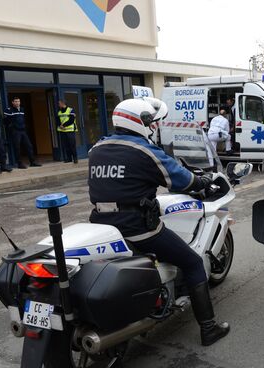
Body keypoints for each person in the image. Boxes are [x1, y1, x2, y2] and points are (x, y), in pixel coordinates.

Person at [87, 97, 230, 346]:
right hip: (138, 227)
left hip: (102, 224)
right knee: (193, 262)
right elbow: (182, 180)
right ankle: (209, 329)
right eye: (151, 122)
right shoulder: (144, 150)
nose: (154, 126)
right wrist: (203, 181)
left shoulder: (97, 148)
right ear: (140, 121)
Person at [4, 97, 41, 168]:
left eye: (18, 101)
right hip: (15, 131)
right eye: (16, 101)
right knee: (17, 147)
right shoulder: (9, 110)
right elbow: (5, 121)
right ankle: (19, 163)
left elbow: (24, 119)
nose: (17, 103)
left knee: (29, 146)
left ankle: (32, 162)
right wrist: (11, 127)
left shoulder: (22, 109)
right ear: (12, 102)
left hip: (23, 131)